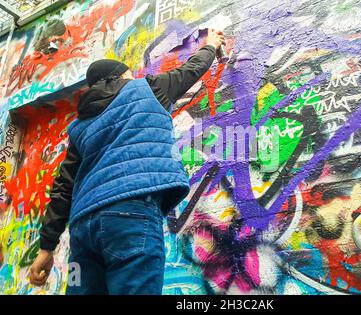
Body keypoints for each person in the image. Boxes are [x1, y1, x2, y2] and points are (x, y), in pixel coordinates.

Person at [28, 29, 225, 295]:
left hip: (82, 231)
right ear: (122, 76)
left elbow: (63, 188)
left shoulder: (79, 126)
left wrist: (46, 248)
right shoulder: (147, 88)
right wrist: (211, 44)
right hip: (130, 215)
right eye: (130, 74)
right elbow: (192, 69)